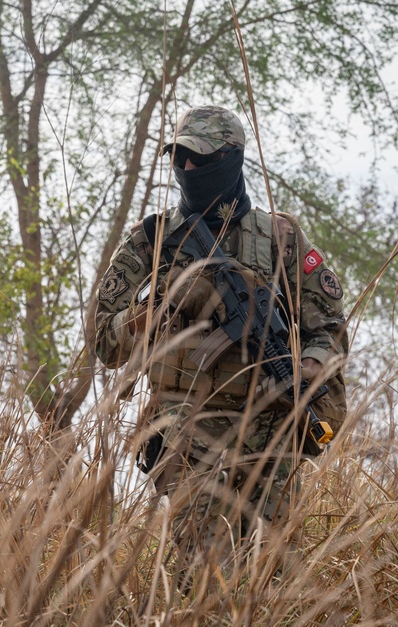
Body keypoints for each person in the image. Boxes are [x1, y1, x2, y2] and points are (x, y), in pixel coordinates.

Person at [94, 105, 349, 587]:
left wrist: (304, 371)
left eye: (201, 159)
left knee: (272, 584)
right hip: (187, 437)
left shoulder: (281, 238)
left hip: (272, 435)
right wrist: (166, 304)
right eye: (180, 158)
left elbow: (329, 329)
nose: (187, 170)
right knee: (205, 580)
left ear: (232, 160)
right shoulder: (152, 240)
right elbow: (104, 342)